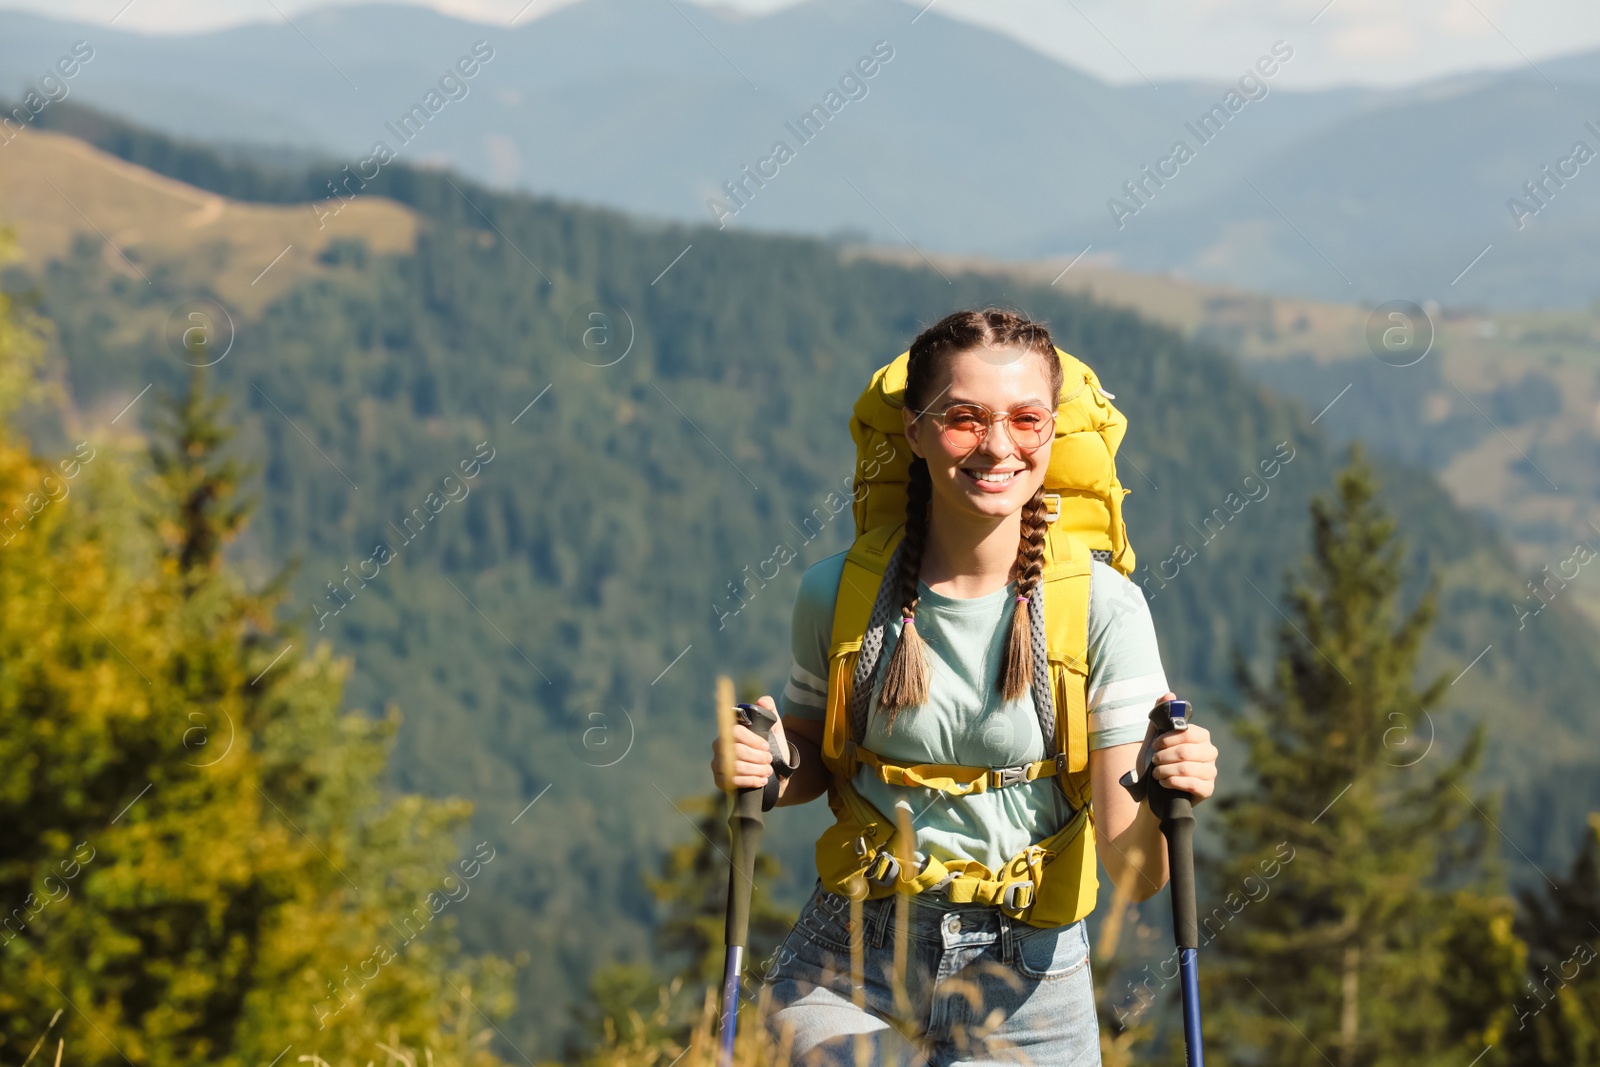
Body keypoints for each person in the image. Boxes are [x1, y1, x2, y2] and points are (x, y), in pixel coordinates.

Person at [710, 309, 1219, 1066]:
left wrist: (1169, 787)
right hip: (846, 957)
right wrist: (768, 764)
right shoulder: (840, 592)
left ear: (1053, 432)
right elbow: (816, 759)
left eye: (1026, 419)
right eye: (963, 418)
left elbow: (1137, 870)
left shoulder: (1100, 608)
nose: (998, 445)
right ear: (913, 430)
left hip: (1032, 982)